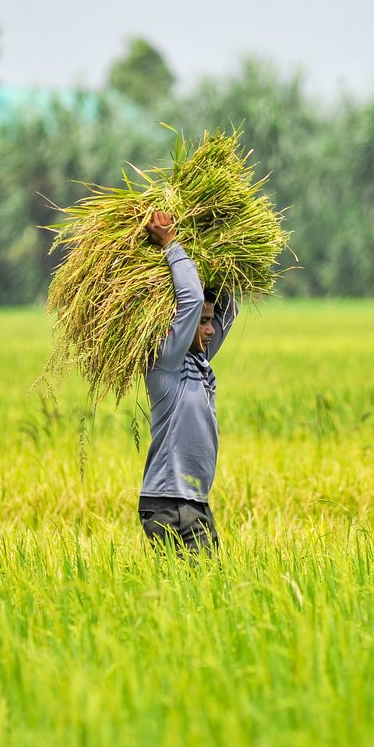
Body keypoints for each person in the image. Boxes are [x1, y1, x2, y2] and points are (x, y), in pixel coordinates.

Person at [138, 210, 237, 555]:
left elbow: (230, 307)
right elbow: (192, 301)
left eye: (210, 322)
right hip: (169, 504)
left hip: (193, 502)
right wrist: (171, 245)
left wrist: (216, 241)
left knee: (203, 596)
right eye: (202, 323)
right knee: (194, 594)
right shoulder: (165, 363)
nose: (211, 330)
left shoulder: (200, 362)